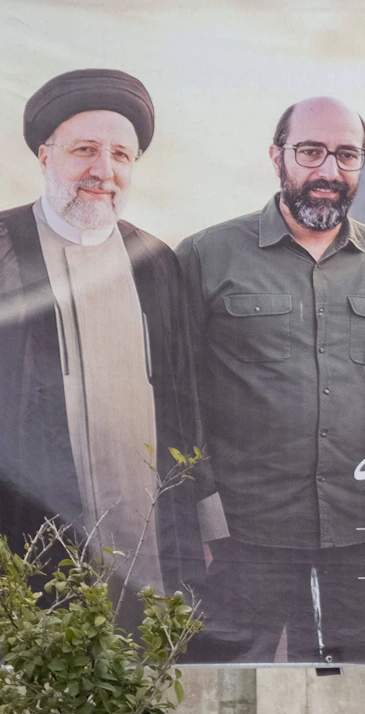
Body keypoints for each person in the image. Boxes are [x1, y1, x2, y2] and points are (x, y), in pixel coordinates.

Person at [178, 97, 365, 662]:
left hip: (352, 531)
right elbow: (177, 395)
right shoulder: (207, 256)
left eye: (346, 154)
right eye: (310, 152)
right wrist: (204, 516)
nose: (328, 171)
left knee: (341, 686)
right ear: (276, 157)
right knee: (234, 691)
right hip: (239, 535)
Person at [0, 69, 216, 605]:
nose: (104, 170)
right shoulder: (4, 248)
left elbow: (186, 401)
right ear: (45, 156)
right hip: (23, 534)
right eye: (86, 150)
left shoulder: (156, 262)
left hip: (145, 536)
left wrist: (208, 523)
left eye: (121, 155)